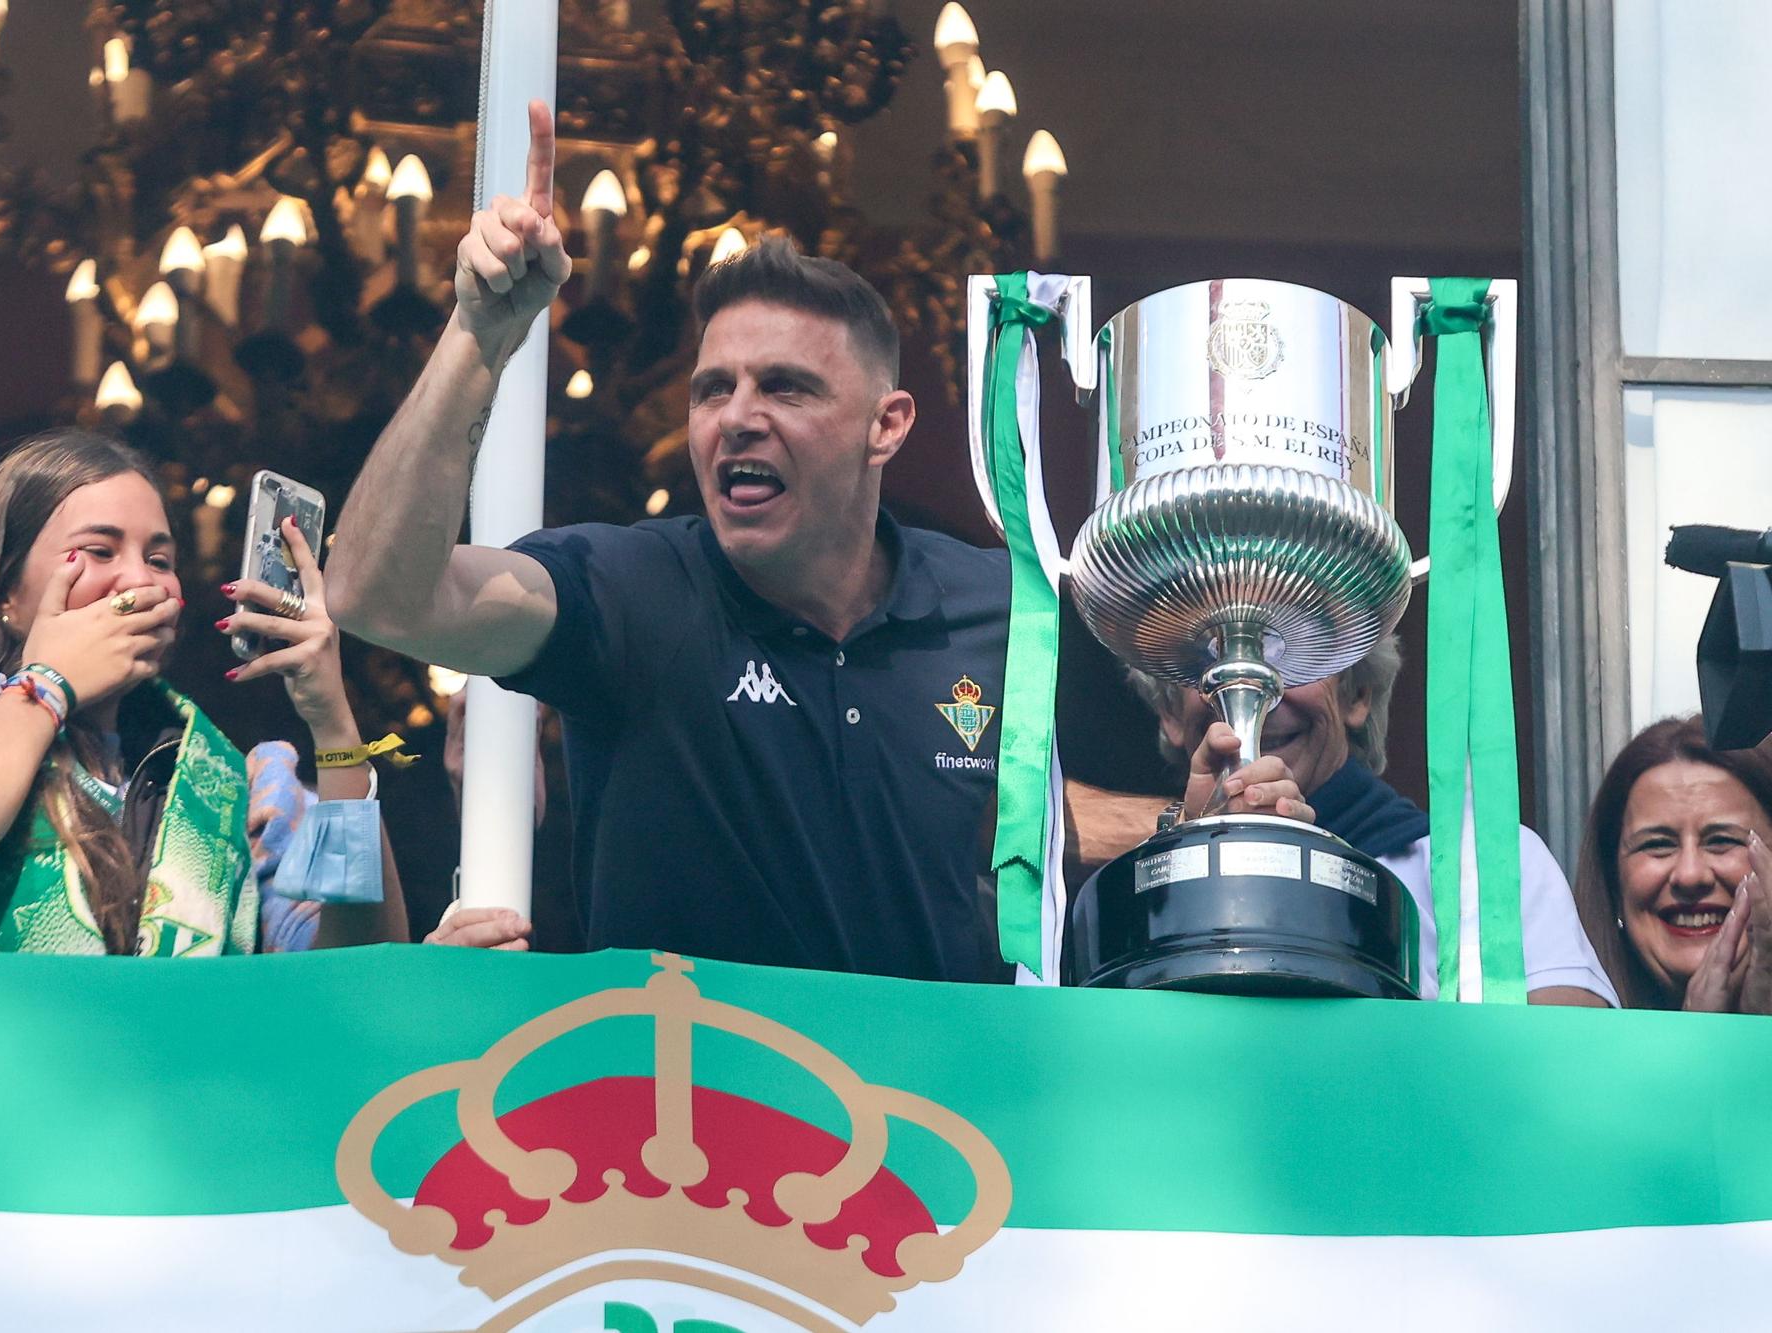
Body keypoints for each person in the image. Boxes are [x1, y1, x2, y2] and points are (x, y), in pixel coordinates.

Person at [327, 102, 1308, 981]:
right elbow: (375, 595)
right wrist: (478, 333)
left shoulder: (1000, 605)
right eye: (714, 388)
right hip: (682, 1139)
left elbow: (982, 830)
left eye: (785, 387)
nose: (735, 417)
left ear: (885, 425)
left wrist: (1183, 830)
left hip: (941, 1148)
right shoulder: (634, 589)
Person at [0, 429, 410, 954]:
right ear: (5, 594)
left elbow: (360, 967)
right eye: (99, 550)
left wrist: (334, 727)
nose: (140, 579)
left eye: (161, 559)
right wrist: (48, 681)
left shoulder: (238, 790)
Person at [1112, 637, 1618, 1005]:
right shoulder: (1124, 902)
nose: (1254, 689)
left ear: (1357, 694)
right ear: (1169, 713)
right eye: (1210, 653)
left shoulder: (1482, 868)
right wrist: (1194, 869)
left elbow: (1576, 1072)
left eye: (1292, 645)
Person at [1570, 716, 1772, 1012]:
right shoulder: (1573, 1047)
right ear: (1614, 885)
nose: (1690, 875)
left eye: (1722, 840)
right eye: (1657, 845)